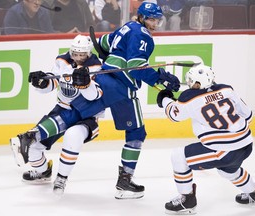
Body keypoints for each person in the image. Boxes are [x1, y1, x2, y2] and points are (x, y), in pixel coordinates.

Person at [11, 2, 180, 199]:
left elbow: (103, 44)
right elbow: (136, 67)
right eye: (152, 19)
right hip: (124, 90)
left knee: (75, 111)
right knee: (136, 132)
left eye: (157, 19)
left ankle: (35, 135)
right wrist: (160, 78)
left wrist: (110, 55)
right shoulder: (143, 35)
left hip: (104, 80)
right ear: (141, 17)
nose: (155, 23)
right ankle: (125, 181)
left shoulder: (125, 27)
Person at [156, 64, 255, 214]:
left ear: (199, 83)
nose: (189, 84)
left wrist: (164, 99)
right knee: (228, 171)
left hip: (223, 150)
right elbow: (248, 115)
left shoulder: (189, 98)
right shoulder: (227, 89)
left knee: (179, 156)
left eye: (192, 81)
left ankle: (187, 200)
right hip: (246, 144)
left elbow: (174, 115)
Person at [10, 34, 103, 188]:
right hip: (62, 109)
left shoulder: (96, 66)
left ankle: (61, 176)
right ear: (71, 51)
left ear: (89, 53)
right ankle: (43, 172)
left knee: (71, 139)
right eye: (75, 54)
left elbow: (95, 96)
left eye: (82, 55)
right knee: (34, 148)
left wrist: (86, 84)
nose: (78, 57)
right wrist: (41, 82)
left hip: (85, 114)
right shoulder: (62, 60)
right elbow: (54, 81)